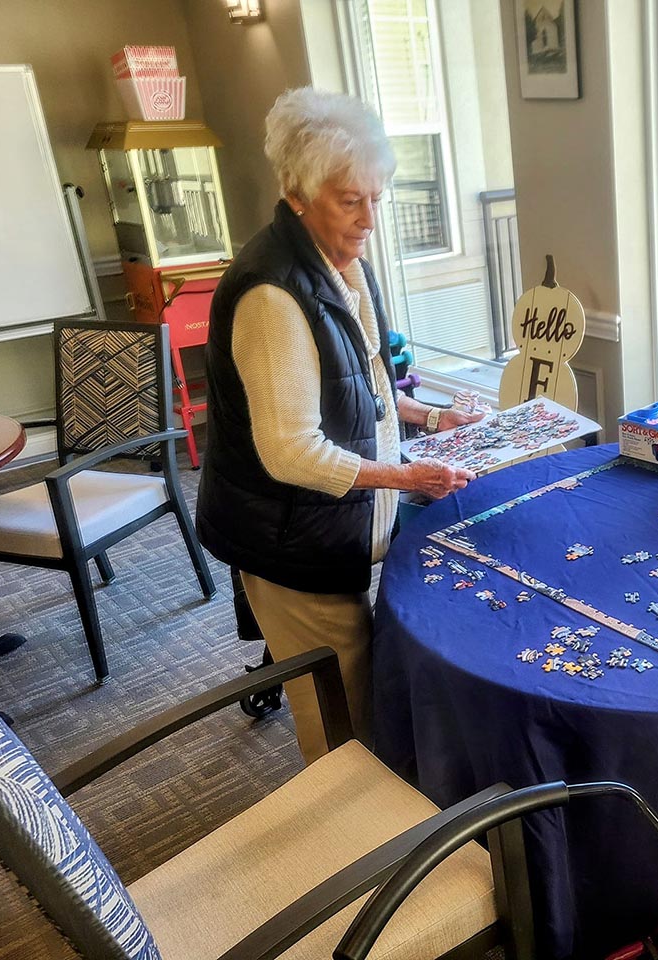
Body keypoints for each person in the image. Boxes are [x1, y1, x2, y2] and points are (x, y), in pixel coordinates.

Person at [196, 87, 483, 764]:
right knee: (341, 727)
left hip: (332, 526)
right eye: (350, 201)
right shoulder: (272, 295)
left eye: (376, 197)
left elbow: (365, 389)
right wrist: (405, 475)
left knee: (364, 693)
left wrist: (430, 415)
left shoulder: (340, 260)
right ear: (296, 193)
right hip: (291, 544)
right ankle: (358, 861)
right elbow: (292, 450)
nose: (369, 219)